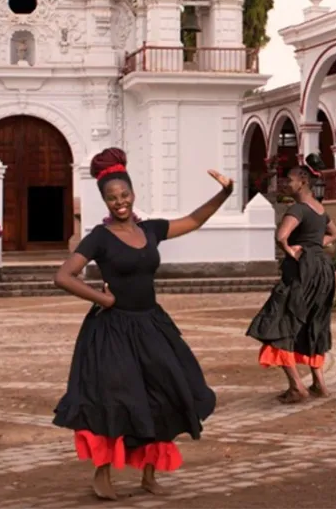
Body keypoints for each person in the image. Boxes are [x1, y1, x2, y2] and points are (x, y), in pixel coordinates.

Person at [52, 147, 231, 501]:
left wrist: (224, 193)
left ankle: (149, 473)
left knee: (163, 395)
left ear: (133, 194)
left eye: (124, 195)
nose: (120, 202)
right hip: (112, 331)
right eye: (112, 198)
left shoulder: (150, 230)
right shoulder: (99, 238)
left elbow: (194, 220)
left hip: (151, 325)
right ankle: (102, 474)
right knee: (114, 400)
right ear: (104, 201)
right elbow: (63, 276)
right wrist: (103, 299)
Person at [246, 153, 336, 404]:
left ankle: (297, 386)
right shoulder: (320, 209)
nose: (287, 183)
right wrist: (316, 245)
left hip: (303, 271)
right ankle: (319, 383)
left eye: (290, 179)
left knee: (280, 323)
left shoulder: (297, 208)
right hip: (323, 271)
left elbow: (281, 235)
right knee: (313, 323)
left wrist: (293, 250)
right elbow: (335, 233)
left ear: (303, 181)